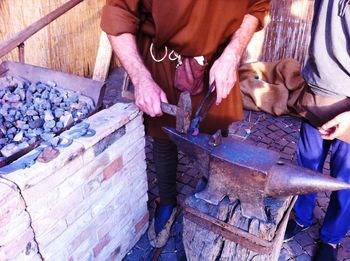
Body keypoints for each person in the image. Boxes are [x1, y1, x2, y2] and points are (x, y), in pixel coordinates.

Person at [101, 0, 270, 248]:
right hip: (164, 59)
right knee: (162, 134)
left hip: (218, 61)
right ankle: (167, 200)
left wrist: (232, 54)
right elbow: (118, 14)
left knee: (216, 136)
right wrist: (141, 78)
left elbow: (255, 7)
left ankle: (212, 198)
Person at [284, 1, 350, 260]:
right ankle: (301, 217)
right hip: (316, 93)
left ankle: (331, 238)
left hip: (348, 101)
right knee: (305, 167)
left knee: (344, 181)